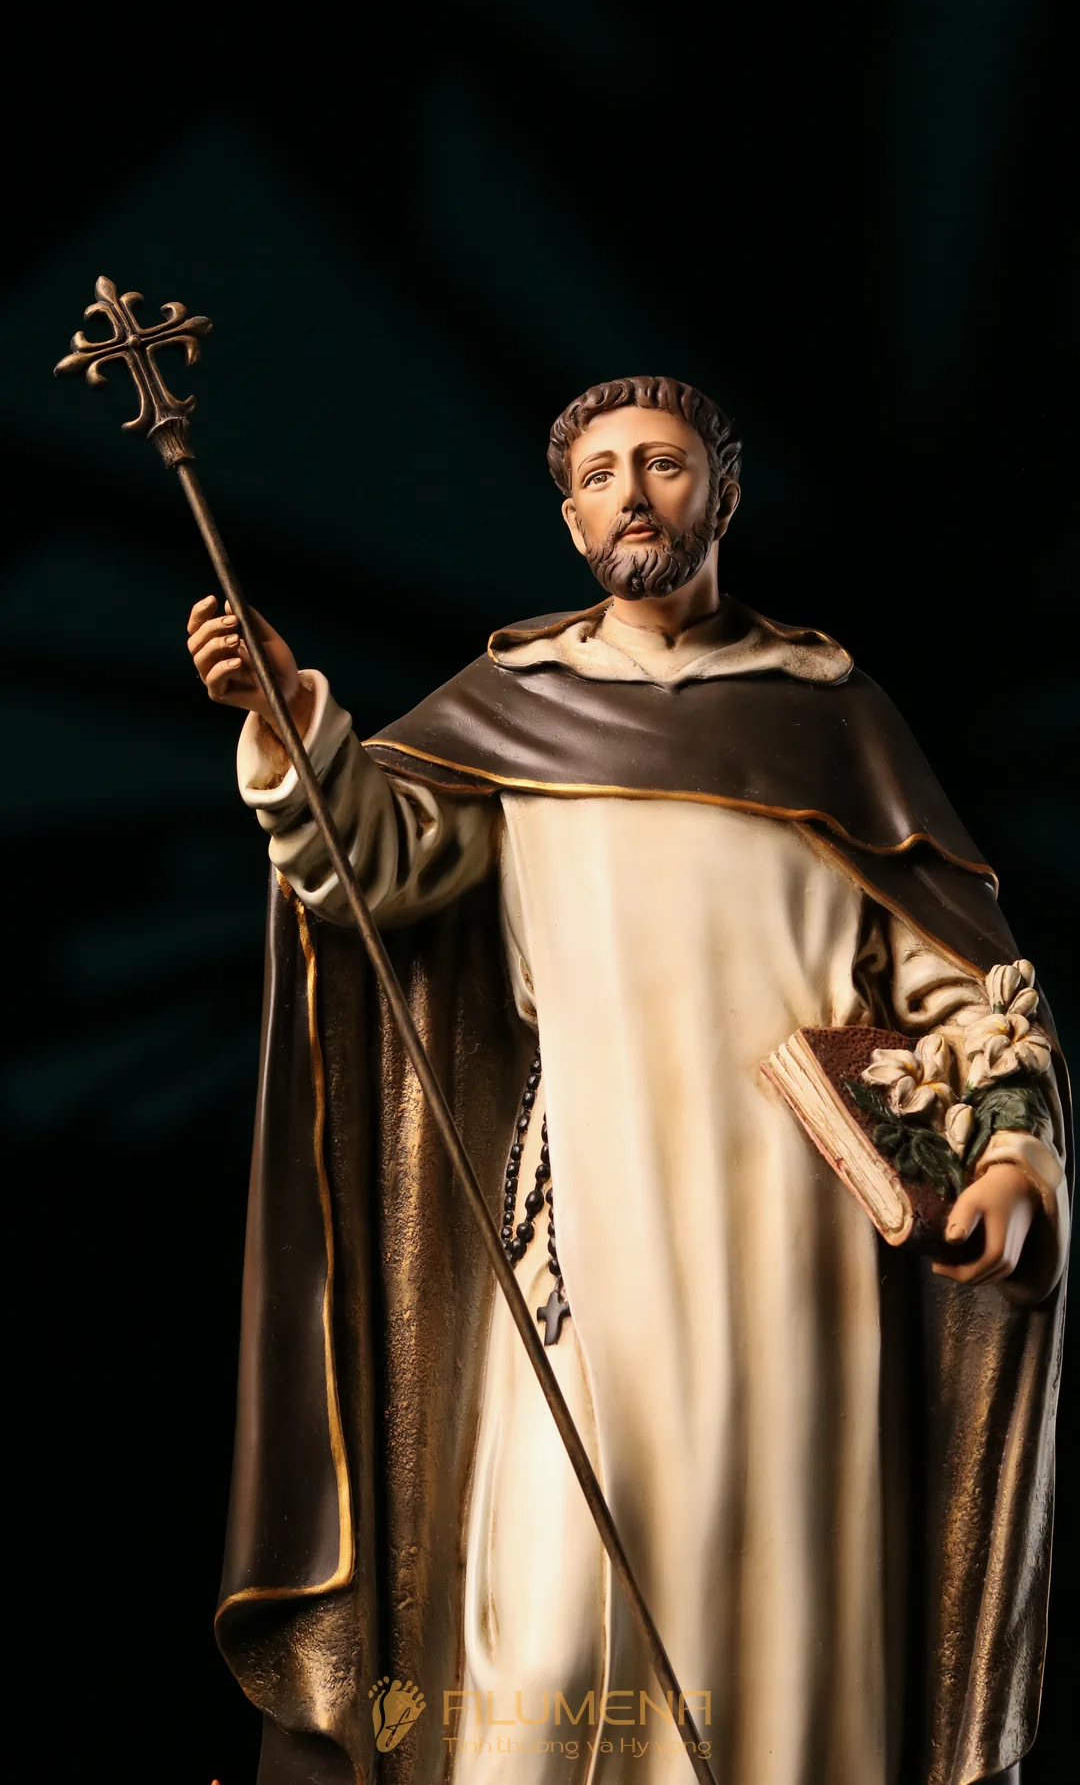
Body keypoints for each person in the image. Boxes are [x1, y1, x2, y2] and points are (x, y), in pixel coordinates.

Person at [191, 377, 1070, 1785]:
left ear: (722, 495)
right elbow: (371, 872)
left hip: (794, 1246)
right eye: (600, 475)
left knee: (777, 1632)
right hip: (583, 1229)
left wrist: (1015, 1160)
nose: (633, 495)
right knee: (543, 1640)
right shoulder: (518, 709)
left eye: (663, 464)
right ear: (571, 519)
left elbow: (963, 980)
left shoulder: (832, 721)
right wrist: (293, 724)